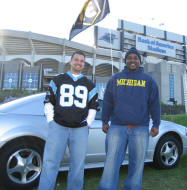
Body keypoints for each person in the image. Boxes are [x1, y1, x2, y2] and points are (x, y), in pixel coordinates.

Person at [97, 47, 161, 190]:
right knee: (111, 162)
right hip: (117, 128)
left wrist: (156, 123)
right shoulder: (115, 78)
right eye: (129, 58)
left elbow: (154, 103)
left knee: (137, 164)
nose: (132, 60)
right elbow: (108, 101)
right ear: (125, 61)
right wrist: (104, 120)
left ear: (140, 60)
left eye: (135, 58)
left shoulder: (149, 80)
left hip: (140, 128)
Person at [38, 51, 98, 190]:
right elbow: (48, 101)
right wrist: (51, 121)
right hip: (58, 127)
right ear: (70, 61)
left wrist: (87, 123)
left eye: (81, 61)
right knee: (50, 162)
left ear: (84, 64)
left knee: (78, 165)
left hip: (80, 130)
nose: (78, 62)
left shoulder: (90, 84)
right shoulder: (58, 79)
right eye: (76, 60)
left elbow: (93, 106)